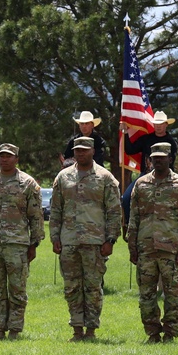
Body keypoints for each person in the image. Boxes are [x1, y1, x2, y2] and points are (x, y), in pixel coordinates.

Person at [49, 136, 122, 342]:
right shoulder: (63, 177)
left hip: (95, 241)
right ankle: (77, 329)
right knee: (72, 287)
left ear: (92, 151)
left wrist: (111, 239)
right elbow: (56, 209)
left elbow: (114, 212)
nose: (80, 154)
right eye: (77, 151)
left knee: (92, 288)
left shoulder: (105, 177)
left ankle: (91, 329)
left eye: (84, 150)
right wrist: (55, 236)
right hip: (69, 240)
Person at [0, 143, 45, 340]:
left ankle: (14, 329)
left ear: (16, 159)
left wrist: (34, 243)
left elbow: (36, 216)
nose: (4, 159)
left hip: (18, 245)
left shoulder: (27, 184)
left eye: (9, 156)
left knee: (17, 290)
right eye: (1, 156)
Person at [128, 143, 178, 343]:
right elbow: (134, 218)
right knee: (146, 296)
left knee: (172, 296)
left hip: (172, 250)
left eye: (162, 157)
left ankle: (170, 333)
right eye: (154, 157)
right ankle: (152, 333)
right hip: (146, 249)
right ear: (150, 159)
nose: (158, 160)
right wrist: (132, 247)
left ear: (170, 159)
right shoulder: (140, 185)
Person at [121, 111, 178, 225]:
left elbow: (171, 162)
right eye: (156, 124)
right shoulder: (146, 139)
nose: (158, 126)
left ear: (166, 124)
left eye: (161, 123)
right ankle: (129, 225)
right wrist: (125, 132)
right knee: (126, 198)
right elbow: (130, 150)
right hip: (145, 175)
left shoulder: (171, 142)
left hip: (166, 176)